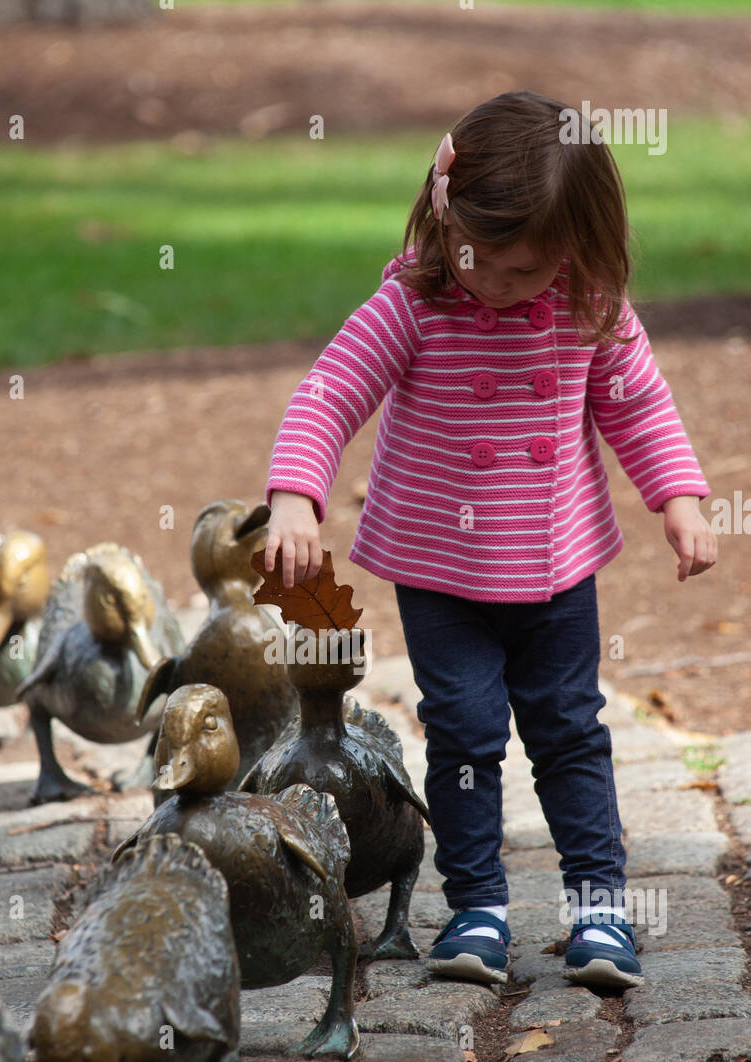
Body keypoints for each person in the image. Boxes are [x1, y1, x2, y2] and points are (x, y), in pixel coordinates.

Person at [262, 91, 716, 991]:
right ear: (446, 216)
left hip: (557, 566)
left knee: (570, 732)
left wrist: (680, 495)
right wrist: (294, 497)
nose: (504, 286)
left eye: (529, 270)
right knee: (464, 736)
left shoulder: (587, 307)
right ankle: (477, 909)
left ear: (579, 245)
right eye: (489, 264)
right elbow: (329, 393)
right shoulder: (414, 304)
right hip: (441, 571)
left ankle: (599, 909)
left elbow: (638, 403)